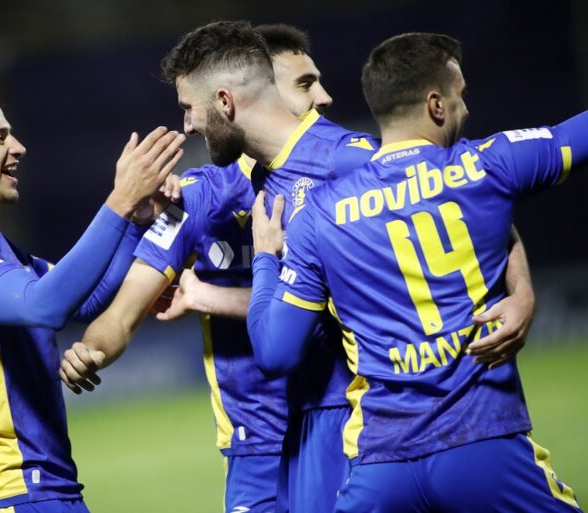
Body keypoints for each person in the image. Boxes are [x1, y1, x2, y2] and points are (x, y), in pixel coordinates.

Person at [59, 21, 536, 513]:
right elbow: (117, 314)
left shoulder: (348, 162)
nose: (322, 98)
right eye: (305, 84)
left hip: (346, 414)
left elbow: (468, 201)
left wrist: (520, 292)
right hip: (254, 441)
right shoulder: (196, 196)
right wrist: (90, 350)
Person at [247, 32, 585, 512]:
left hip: (382, 467)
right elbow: (574, 137)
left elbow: (274, 351)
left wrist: (265, 257)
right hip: (484, 446)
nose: (465, 107)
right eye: (459, 94)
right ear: (436, 105)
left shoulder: (320, 214)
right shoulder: (486, 167)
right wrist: (523, 289)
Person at [0, 78, 184, 513]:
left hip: (41, 486)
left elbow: (85, 298)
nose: (19, 148)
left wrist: (137, 221)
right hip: (6, 487)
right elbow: (44, 305)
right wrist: (119, 201)